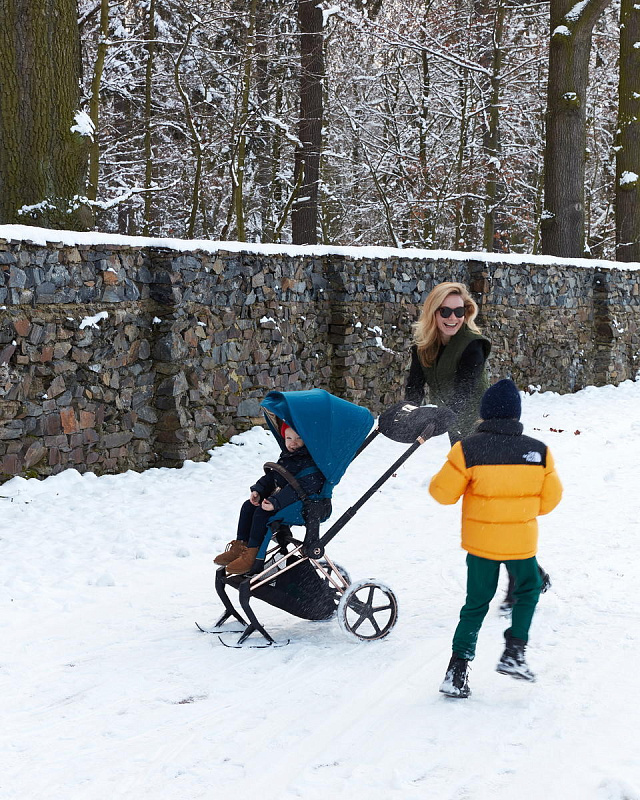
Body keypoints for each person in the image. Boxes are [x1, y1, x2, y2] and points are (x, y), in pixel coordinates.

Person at [428, 378, 562, 698]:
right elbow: (551, 499)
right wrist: (520, 511)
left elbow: (442, 494)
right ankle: (514, 651)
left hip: (481, 542)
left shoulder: (468, 449)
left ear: (484, 414)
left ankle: (457, 670)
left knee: (476, 604)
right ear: (517, 414)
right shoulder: (538, 451)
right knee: (528, 588)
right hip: (520, 542)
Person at [213, 423, 325, 576]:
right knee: (248, 506)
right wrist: (258, 491)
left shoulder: (311, 462)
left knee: (262, 513)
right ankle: (240, 545)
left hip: (305, 505)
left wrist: (276, 502)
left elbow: (299, 488)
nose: (293, 443)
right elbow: (274, 477)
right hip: (286, 500)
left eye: (298, 438)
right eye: (289, 438)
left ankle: (253, 554)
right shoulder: (288, 457)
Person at [405, 281, 491, 445]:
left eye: (459, 311)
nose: (453, 318)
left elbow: (464, 390)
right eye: (445, 311)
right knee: (460, 459)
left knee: (474, 460)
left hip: (482, 423)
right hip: (455, 424)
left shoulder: (472, 345)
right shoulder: (423, 346)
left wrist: (439, 418)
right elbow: (415, 385)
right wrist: (408, 412)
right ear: (433, 312)